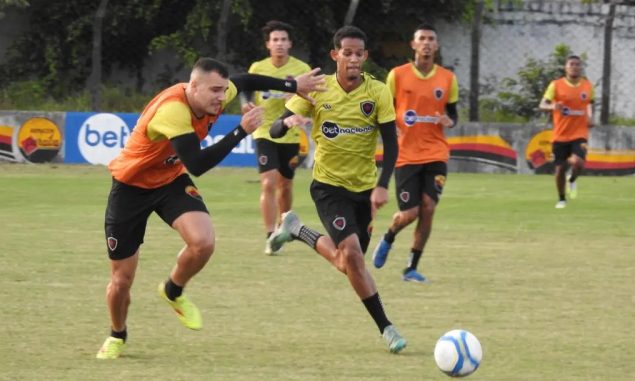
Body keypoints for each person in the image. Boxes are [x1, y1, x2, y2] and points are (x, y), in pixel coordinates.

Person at [96, 57, 325, 359]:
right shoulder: (173, 110)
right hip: (130, 189)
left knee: (203, 242)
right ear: (193, 86)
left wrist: (292, 85)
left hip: (170, 181)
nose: (221, 97)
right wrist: (241, 131)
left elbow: (244, 81)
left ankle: (173, 291)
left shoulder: (216, 93)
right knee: (122, 280)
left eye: (222, 91)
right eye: (214, 91)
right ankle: (117, 334)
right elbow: (198, 163)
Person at [267, 25, 406, 353]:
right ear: (335, 55)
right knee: (354, 256)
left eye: (359, 53)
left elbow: (391, 143)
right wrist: (286, 122)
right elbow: (274, 129)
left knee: (347, 265)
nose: (354, 59)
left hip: (364, 189)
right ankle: (387, 327)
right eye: (347, 53)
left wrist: (383, 186)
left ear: (366, 57)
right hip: (329, 188)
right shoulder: (317, 89)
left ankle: (297, 229)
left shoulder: (378, 92)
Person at [370, 23, 459, 283]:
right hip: (406, 154)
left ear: (437, 45)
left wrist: (448, 121)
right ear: (413, 44)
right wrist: (389, 129)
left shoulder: (447, 79)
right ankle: (389, 236)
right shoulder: (397, 75)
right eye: (422, 39)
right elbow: (385, 108)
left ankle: (411, 268)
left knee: (429, 207)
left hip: (436, 153)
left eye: (431, 39)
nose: (427, 43)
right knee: (410, 213)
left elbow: (453, 114)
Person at [243, 20, 312, 255]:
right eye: (275, 40)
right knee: (268, 182)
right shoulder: (258, 67)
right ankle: (270, 235)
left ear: (290, 44)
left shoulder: (302, 68)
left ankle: (285, 226)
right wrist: (245, 103)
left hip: (290, 133)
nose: (279, 44)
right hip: (264, 131)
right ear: (268, 45)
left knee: (285, 185)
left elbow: (309, 99)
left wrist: (297, 110)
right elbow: (244, 87)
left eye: (283, 39)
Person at [539, 55, 594, 209]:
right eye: (571, 64)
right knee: (560, 168)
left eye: (577, 64)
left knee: (578, 162)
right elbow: (543, 104)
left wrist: (590, 117)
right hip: (560, 134)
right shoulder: (555, 85)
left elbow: (589, 103)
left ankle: (572, 179)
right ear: (566, 67)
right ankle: (562, 199)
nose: (574, 67)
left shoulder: (587, 85)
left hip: (580, 133)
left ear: (581, 67)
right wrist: (552, 107)